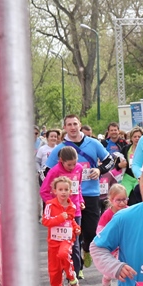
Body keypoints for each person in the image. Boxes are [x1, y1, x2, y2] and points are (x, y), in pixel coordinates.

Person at [44, 114, 109, 276]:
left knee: (91, 232)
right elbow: (46, 172)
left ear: (80, 124)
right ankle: (76, 269)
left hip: (91, 193)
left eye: (75, 124)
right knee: (72, 235)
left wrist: (99, 170)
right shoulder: (60, 149)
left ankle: (87, 249)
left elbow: (110, 161)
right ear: (64, 127)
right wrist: (58, 191)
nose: (72, 127)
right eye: (69, 125)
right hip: (68, 199)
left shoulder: (93, 143)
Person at [41, 177, 81, 286]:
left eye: (66, 189)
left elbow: (71, 221)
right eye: (60, 189)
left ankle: (72, 277)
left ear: (70, 191)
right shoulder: (50, 205)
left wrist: (76, 228)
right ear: (55, 191)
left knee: (63, 254)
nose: (63, 192)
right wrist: (60, 218)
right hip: (53, 241)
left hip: (67, 239)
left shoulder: (72, 206)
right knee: (54, 271)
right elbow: (45, 221)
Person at [95, 183, 129, 286]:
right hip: (112, 248)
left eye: (124, 199)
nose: (122, 203)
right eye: (118, 200)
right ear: (111, 200)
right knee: (108, 275)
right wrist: (109, 241)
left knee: (127, 274)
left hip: (127, 248)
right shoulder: (107, 215)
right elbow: (100, 231)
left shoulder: (129, 211)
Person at [39, 146, 86, 213]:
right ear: (61, 160)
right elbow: (44, 191)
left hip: (75, 209)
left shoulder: (79, 168)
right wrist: (53, 204)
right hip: (59, 211)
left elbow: (78, 187)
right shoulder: (54, 171)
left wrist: (81, 201)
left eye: (74, 164)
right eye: (69, 165)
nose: (72, 167)